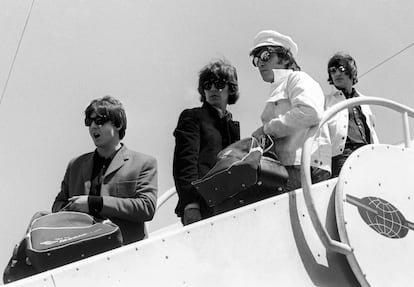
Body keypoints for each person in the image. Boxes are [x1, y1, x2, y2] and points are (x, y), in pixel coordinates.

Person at [52, 96, 157, 244]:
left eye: (100, 121)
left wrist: (95, 203)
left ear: (118, 124)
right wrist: (71, 211)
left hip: (125, 252)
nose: (93, 126)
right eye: (89, 122)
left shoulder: (144, 163)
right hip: (80, 253)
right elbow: (58, 205)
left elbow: (147, 207)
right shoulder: (75, 165)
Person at [250, 30, 331, 191]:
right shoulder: (279, 87)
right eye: (256, 59)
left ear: (284, 58)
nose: (260, 63)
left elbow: (311, 111)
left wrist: (267, 129)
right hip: (283, 167)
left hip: (301, 165)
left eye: (266, 55)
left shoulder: (297, 79)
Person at [173, 59, 240, 225]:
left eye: (218, 84)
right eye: (207, 85)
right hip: (201, 205)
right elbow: (185, 163)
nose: (212, 89)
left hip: (228, 205)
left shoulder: (232, 126)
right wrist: (190, 203)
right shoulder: (192, 117)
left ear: (230, 88)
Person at [325, 52, 379, 177]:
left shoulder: (364, 101)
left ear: (351, 71)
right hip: (342, 154)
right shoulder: (326, 101)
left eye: (341, 69)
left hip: (367, 153)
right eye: (332, 71)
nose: (337, 74)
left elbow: (371, 132)